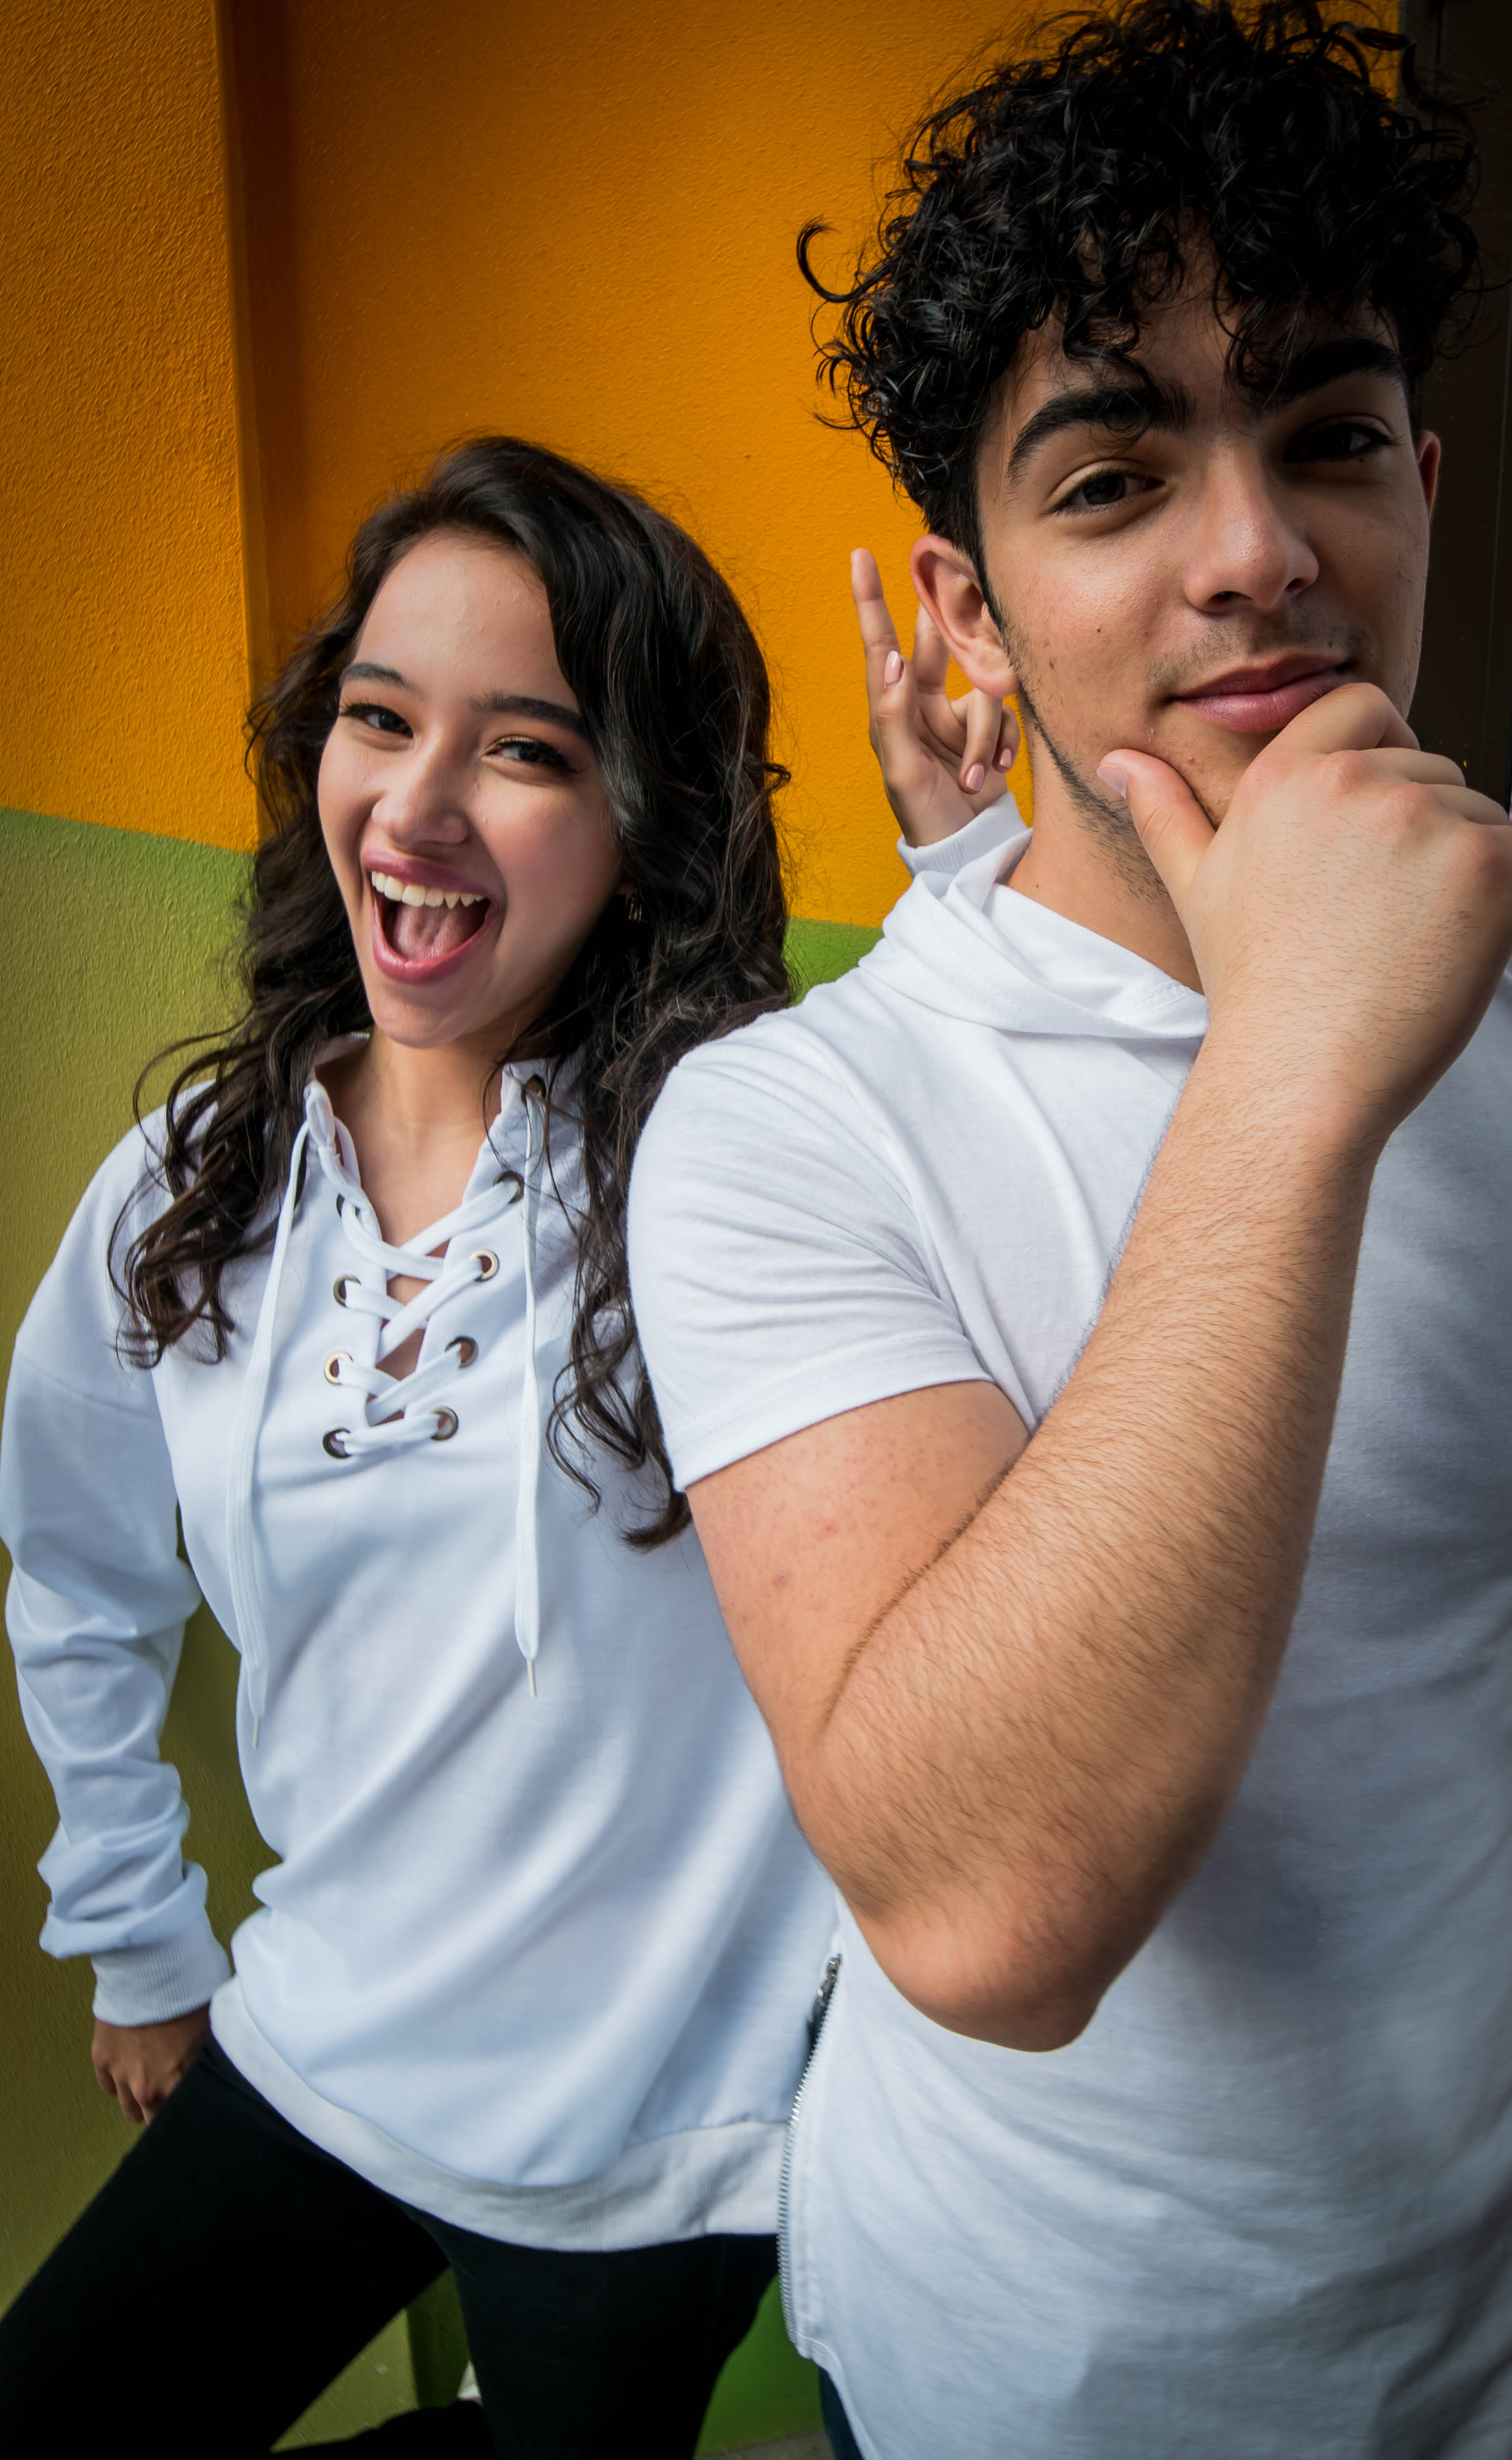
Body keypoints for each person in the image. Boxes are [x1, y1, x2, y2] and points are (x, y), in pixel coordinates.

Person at [625, 6, 1512, 2456]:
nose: (1258, 554)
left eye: (1326, 437)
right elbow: (979, 1910)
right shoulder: (786, 1126)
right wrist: (1293, 1059)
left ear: (1419, 486)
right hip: (1036, 2385)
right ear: (972, 606)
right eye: (1113, 476)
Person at [0, 437, 856, 2459]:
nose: (414, 805)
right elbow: (78, 1565)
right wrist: (139, 1932)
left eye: (526, 750)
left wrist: (982, 852)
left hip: (654, 2128)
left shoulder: (744, 1160)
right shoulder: (194, 1181)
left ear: (646, 816)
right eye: (380, 718)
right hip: (325, 2035)